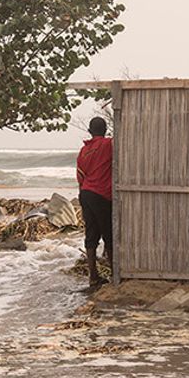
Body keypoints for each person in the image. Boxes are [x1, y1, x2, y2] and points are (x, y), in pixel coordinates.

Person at [76, 116, 114, 288]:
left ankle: (93, 276)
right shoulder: (109, 145)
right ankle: (115, 273)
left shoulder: (83, 151)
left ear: (90, 132)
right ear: (105, 130)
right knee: (109, 234)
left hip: (86, 194)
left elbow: (80, 177)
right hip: (102, 195)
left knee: (91, 235)